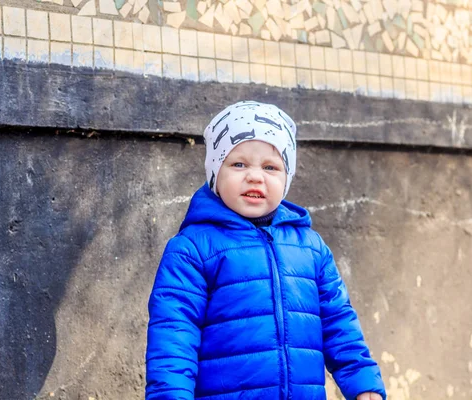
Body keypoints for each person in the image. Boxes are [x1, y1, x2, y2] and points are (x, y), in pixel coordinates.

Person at [145, 100, 386, 400]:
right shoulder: (192, 250)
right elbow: (173, 337)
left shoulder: (310, 249)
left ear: (286, 179)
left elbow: (339, 323)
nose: (255, 176)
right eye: (239, 164)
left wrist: (364, 385)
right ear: (215, 174)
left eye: (271, 167)